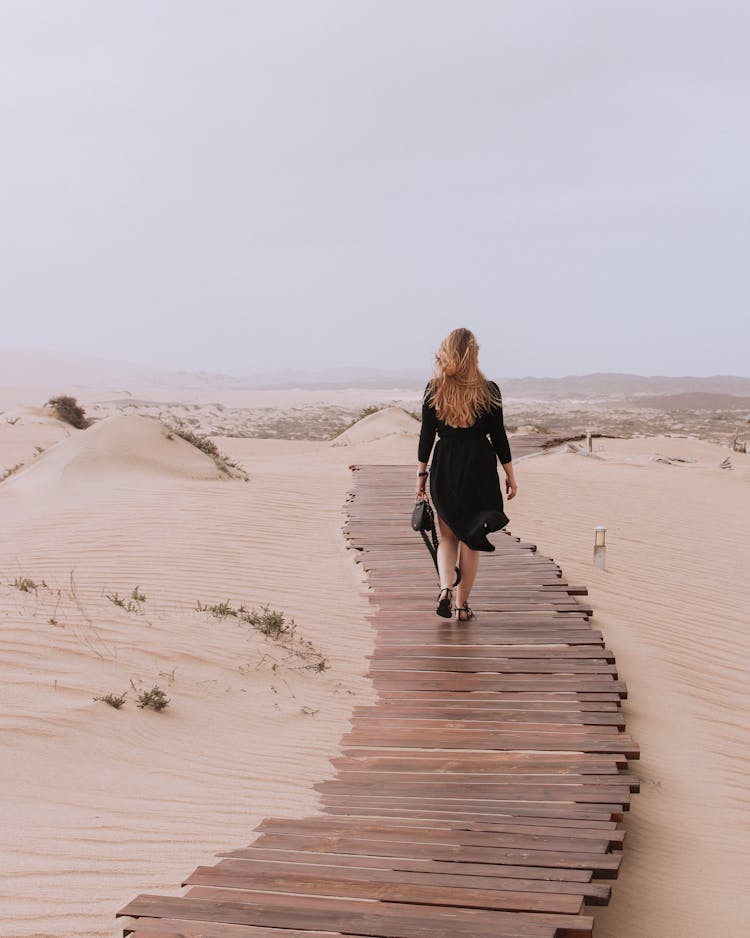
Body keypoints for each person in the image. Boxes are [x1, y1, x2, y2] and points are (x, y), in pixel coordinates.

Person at [416, 328, 517, 620]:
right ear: (473, 354)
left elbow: (426, 437)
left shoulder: (434, 388)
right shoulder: (490, 390)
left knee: (447, 537)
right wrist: (511, 475)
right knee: (472, 538)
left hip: (446, 462)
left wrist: (421, 476)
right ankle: (461, 607)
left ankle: (446, 587)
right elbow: (499, 437)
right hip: (480, 466)